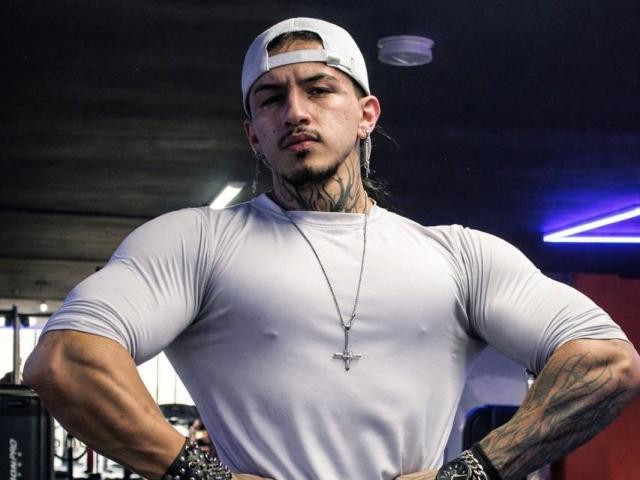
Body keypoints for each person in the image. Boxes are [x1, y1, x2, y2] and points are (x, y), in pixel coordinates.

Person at [24, 17, 640, 480]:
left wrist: (470, 473)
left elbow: (608, 363)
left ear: (367, 113)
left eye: (319, 89)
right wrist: (202, 476)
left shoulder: (459, 257)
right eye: (272, 98)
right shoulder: (194, 243)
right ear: (253, 134)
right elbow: (67, 360)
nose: (296, 111)